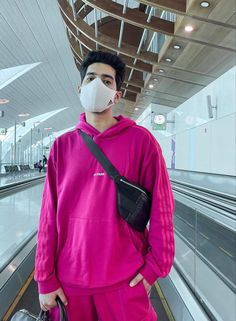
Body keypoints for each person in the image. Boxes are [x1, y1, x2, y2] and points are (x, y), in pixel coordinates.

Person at [35, 51, 175, 321]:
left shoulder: (141, 142)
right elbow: (48, 217)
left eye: (107, 81)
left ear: (117, 95)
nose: (97, 85)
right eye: (90, 78)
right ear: (79, 89)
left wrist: (154, 269)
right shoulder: (62, 147)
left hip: (126, 281)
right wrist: (45, 278)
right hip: (69, 284)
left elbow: (162, 209)